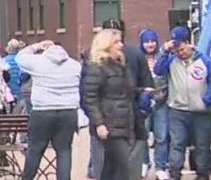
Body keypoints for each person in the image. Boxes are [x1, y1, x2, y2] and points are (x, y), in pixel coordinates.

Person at [86, 18, 154, 180]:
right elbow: (89, 98)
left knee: (111, 169)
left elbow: (126, 91)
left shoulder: (121, 65)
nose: (121, 44)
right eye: (117, 42)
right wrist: (99, 123)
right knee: (124, 168)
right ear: (107, 45)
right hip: (109, 125)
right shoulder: (96, 67)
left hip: (127, 121)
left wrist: (143, 92)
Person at [16, 39, 82, 180]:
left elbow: (19, 57)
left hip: (42, 111)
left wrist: (36, 46)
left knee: (35, 150)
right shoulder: (75, 65)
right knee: (64, 151)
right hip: (68, 111)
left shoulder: (38, 62)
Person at [152, 26, 211, 180]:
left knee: (202, 145)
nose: (180, 53)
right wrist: (164, 52)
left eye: (182, 49)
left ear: (189, 43)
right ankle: (175, 173)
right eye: (177, 50)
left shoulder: (204, 61)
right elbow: (158, 70)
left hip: (201, 111)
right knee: (177, 144)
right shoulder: (171, 60)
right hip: (177, 110)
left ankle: (203, 174)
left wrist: (208, 98)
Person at [140, 28, 169, 179]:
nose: (150, 44)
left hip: (161, 102)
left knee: (161, 135)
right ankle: (144, 162)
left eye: (152, 41)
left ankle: (161, 166)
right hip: (143, 102)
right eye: (146, 41)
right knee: (142, 134)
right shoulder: (138, 58)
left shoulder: (162, 57)